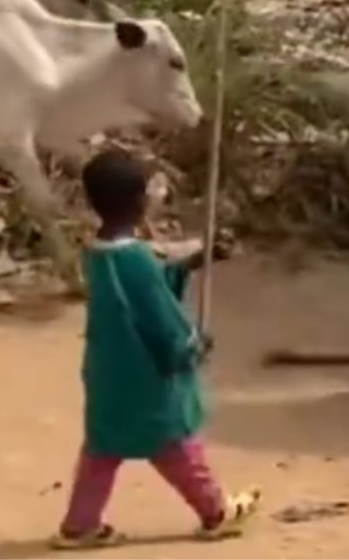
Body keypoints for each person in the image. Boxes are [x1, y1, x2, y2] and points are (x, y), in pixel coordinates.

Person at [51, 147, 259, 550]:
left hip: (108, 375)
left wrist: (196, 259)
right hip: (145, 377)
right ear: (138, 201)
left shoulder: (98, 253)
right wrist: (193, 345)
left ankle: (80, 525)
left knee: (101, 451)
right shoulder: (137, 261)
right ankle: (216, 512)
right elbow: (160, 317)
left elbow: (150, 281)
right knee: (176, 446)